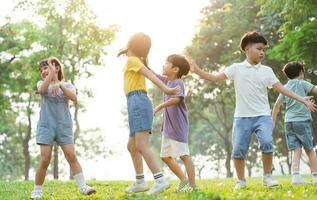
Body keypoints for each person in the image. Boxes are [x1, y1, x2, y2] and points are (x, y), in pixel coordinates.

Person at [189, 31, 317, 189]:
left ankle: (267, 176)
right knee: (238, 150)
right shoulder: (236, 68)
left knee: (267, 143)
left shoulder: (267, 71)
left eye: (264, 49)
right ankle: (241, 180)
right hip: (242, 117)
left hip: (263, 116)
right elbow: (215, 78)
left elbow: (282, 89)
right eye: (259, 48)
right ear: (247, 49)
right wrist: (197, 71)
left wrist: (302, 99)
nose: (262, 52)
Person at [118, 32, 180, 194]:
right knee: (132, 146)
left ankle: (160, 180)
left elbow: (151, 76)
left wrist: (167, 89)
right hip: (134, 102)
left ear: (132, 44)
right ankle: (140, 182)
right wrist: (125, 50)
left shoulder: (133, 60)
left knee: (141, 145)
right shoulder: (132, 59)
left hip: (138, 102)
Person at [30, 57, 95, 199]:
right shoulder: (42, 83)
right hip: (46, 125)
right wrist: (50, 77)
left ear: (57, 68)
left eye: (46, 68)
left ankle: (83, 187)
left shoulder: (68, 85)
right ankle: (37, 190)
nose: (43, 71)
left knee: (71, 156)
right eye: (41, 70)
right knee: (45, 159)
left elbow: (74, 97)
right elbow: (41, 90)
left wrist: (60, 85)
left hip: (64, 126)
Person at [154, 54, 196, 191]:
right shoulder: (166, 81)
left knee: (184, 155)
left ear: (175, 69)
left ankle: (193, 186)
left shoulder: (179, 83)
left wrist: (161, 105)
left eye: (167, 63)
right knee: (165, 157)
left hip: (178, 127)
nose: (164, 65)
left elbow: (177, 99)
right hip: (167, 128)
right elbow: (153, 76)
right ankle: (183, 179)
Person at [272, 61, 317, 185]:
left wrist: (273, 122)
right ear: (301, 72)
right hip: (302, 121)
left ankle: (296, 177)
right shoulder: (302, 83)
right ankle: (315, 177)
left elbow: (276, 106)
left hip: (289, 123)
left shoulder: (284, 88)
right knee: (309, 149)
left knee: (296, 150)